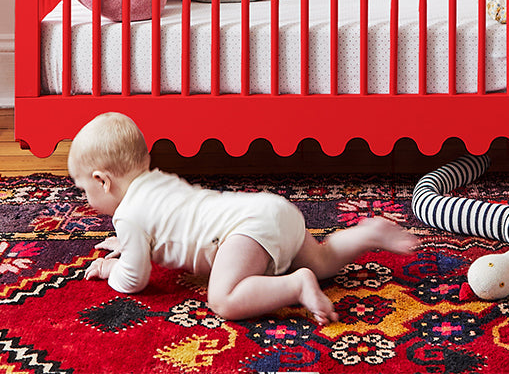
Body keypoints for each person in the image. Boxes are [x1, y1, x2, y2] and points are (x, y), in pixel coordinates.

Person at [67, 112, 416, 324]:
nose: (86, 198)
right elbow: (159, 226)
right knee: (325, 259)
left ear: (102, 180)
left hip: (242, 233)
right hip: (270, 210)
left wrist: (114, 268)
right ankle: (367, 234)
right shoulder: (157, 180)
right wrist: (129, 243)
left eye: (85, 189)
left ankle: (296, 284)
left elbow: (135, 277)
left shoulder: (127, 215)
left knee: (223, 300)